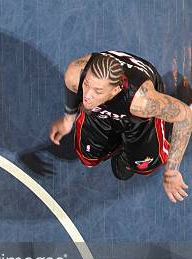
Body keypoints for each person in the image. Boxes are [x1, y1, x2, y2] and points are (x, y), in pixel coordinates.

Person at [49, 50, 192, 203]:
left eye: (97, 91)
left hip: (138, 117)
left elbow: (184, 117)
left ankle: (168, 118)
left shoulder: (143, 102)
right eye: (86, 85)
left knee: (139, 166)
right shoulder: (75, 74)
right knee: (88, 158)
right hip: (103, 112)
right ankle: (120, 143)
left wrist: (172, 170)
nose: (87, 96)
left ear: (115, 89)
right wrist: (67, 120)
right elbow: (73, 90)